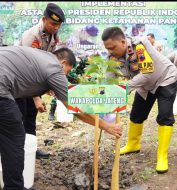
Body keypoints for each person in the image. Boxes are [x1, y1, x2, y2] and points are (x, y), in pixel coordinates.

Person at [0, 46, 122, 190]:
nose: (65, 76)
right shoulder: (54, 68)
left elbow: (25, 77)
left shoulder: (42, 57)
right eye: (67, 71)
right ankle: (14, 187)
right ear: (63, 62)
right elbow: (74, 108)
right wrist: (106, 126)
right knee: (14, 136)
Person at [102, 27, 177, 174]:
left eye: (112, 48)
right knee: (137, 114)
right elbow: (109, 78)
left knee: (164, 116)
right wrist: (108, 94)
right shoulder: (112, 57)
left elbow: (147, 74)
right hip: (145, 85)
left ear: (123, 42)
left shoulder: (140, 46)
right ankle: (133, 144)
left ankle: (162, 155)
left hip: (165, 78)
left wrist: (123, 89)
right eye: (107, 49)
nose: (110, 51)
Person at [16, 3, 65, 159]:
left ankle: (31, 148)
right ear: (44, 19)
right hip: (18, 81)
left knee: (30, 115)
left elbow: (45, 63)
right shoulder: (32, 36)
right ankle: (18, 150)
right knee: (19, 116)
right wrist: (36, 97)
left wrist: (48, 85)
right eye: (53, 23)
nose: (56, 27)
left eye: (58, 25)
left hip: (32, 83)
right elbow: (28, 68)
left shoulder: (52, 36)